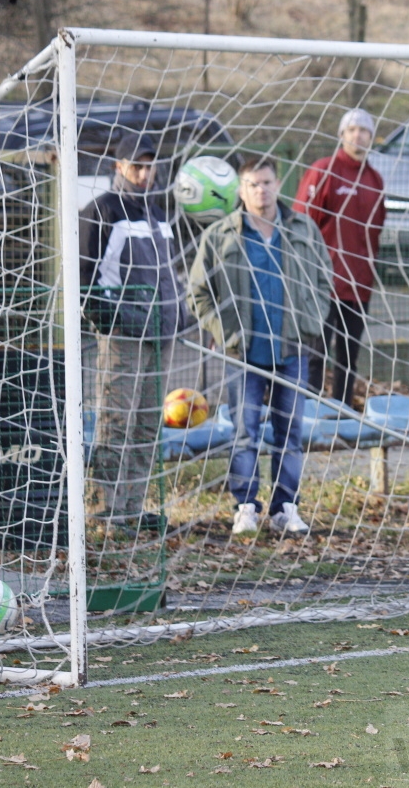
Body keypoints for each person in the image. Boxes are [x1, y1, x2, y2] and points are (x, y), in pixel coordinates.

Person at [187, 158, 333, 536]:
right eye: (252, 184)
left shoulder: (302, 229)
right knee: (245, 433)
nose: (260, 191)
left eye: (266, 182)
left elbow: (323, 280)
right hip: (244, 354)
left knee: (291, 434)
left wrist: (310, 323)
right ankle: (246, 507)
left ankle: (286, 508)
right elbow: (198, 292)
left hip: (292, 349)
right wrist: (225, 331)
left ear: (278, 183)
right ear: (240, 189)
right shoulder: (221, 234)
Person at [80, 133, 190, 529]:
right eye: (136, 166)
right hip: (123, 336)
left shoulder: (159, 214)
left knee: (146, 423)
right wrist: (111, 320)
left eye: (150, 166)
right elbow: (85, 279)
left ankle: (130, 506)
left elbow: (169, 273)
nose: (144, 173)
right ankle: (103, 508)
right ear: (119, 166)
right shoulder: (103, 210)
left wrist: (181, 314)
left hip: (160, 336)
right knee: (116, 420)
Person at [294, 107, 386, 407]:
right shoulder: (324, 170)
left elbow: (376, 231)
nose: (358, 135)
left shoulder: (375, 179)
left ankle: (341, 415)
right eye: (352, 130)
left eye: (364, 130)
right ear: (342, 135)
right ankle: (306, 414)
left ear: (371, 137)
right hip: (322, 282)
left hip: (358, 285)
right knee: (314, 353)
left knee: (348, 357)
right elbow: (301, 222)